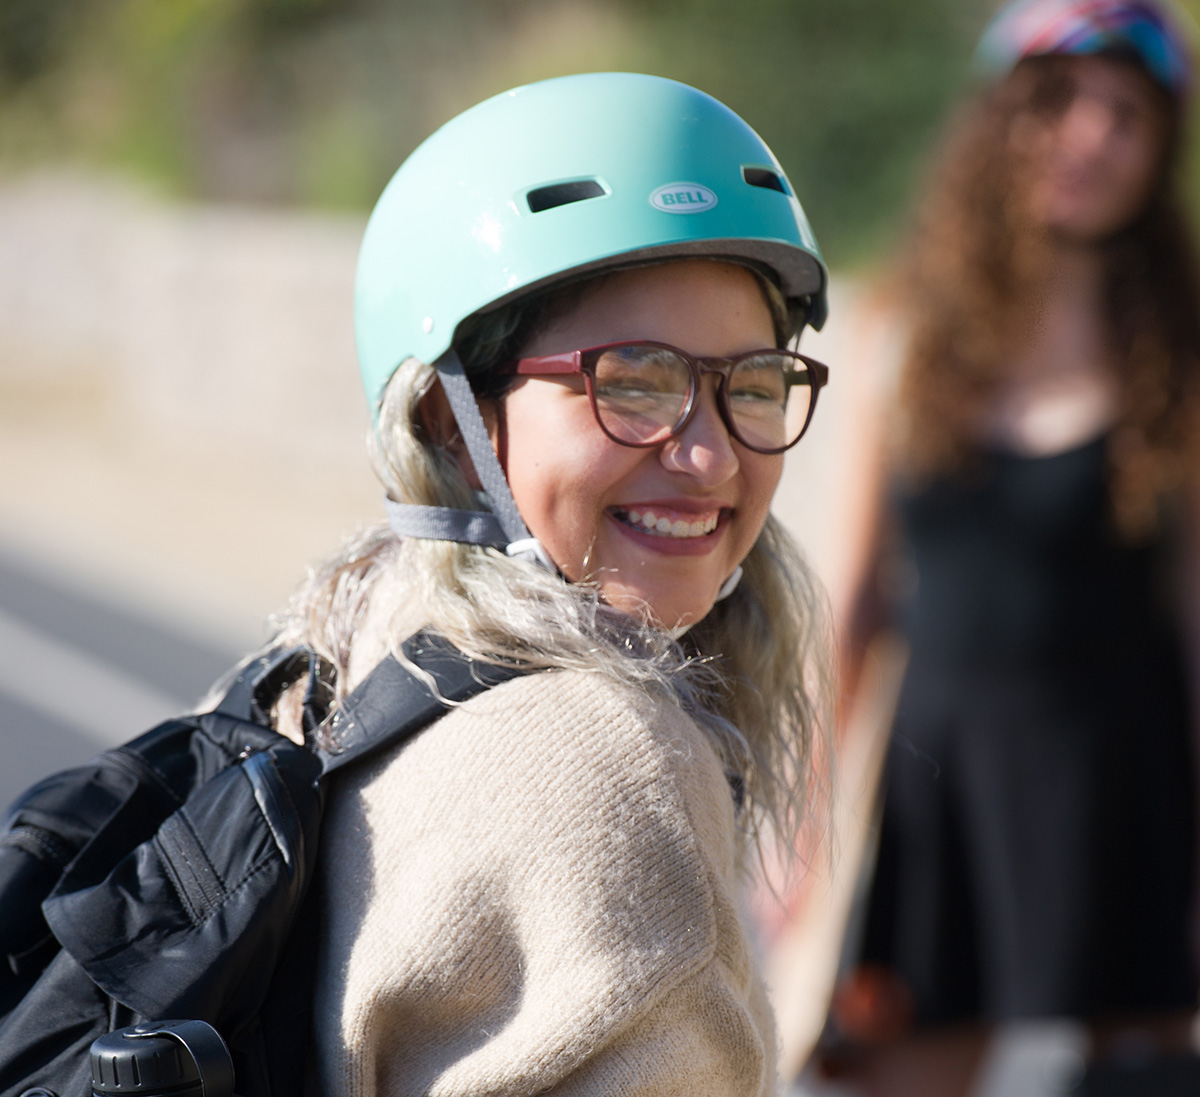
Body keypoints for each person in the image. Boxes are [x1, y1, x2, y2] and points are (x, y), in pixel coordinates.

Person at [262, 73, 832, 1096]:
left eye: (751, 382)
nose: (708, 456)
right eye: (634, 380)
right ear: (451, 421)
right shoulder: (607, 756)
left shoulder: (349, 639)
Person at [817, 2, 1200, 1095]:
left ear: (1159, 153)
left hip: (1121, 778)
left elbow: (1196, 612)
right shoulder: (910, 326)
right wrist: (801, 827)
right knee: (886, 1071)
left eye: (1129, 116)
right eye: (1062, 102)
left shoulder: (1178, 350)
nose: (1091, 136)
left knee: (1146, 1075)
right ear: (1003, 119)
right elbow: (857, 593)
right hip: (939, 775)